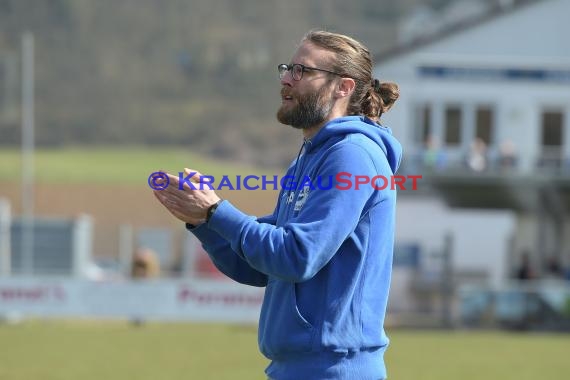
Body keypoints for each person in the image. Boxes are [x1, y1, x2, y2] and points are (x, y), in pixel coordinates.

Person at [153, 30, 402, 380]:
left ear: (342, 88)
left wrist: (216, 211)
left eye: (303, 71)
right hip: (297, 369)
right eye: (288, 68)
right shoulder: (309, 158)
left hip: (333, 371)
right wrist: (203, 223)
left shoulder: (352, 156)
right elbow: (263, 267)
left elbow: (297, 256)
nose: (286, 79)